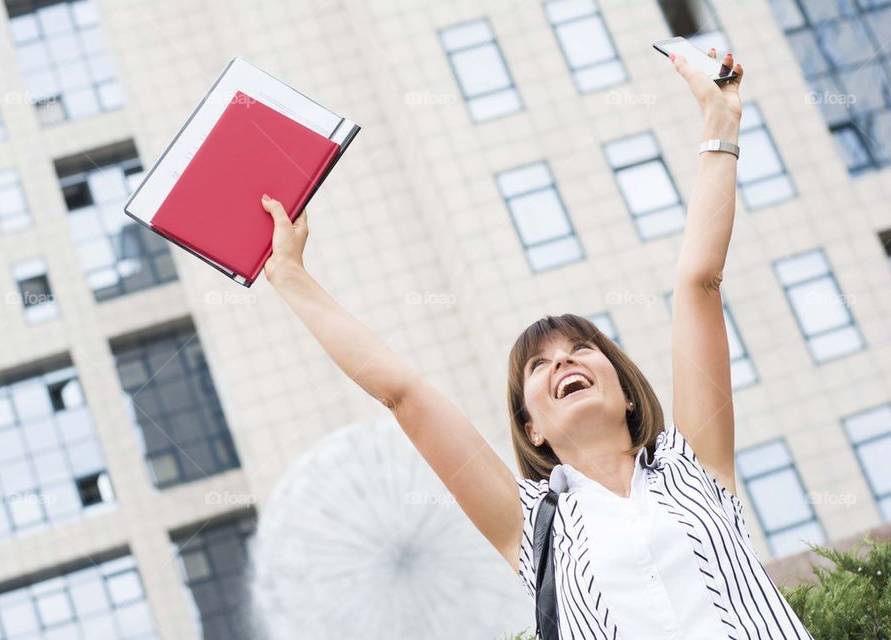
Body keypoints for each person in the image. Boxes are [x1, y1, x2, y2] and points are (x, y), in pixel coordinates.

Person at [260, 48, 814, 639]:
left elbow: (698, 281)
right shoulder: (531, 527)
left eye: (580, 348)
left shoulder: (694, 463)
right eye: (540, 366)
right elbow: (404, 395)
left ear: (627, 393)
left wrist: (719, 119)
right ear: (532, 431)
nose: (563, 361)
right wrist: (291, 276)